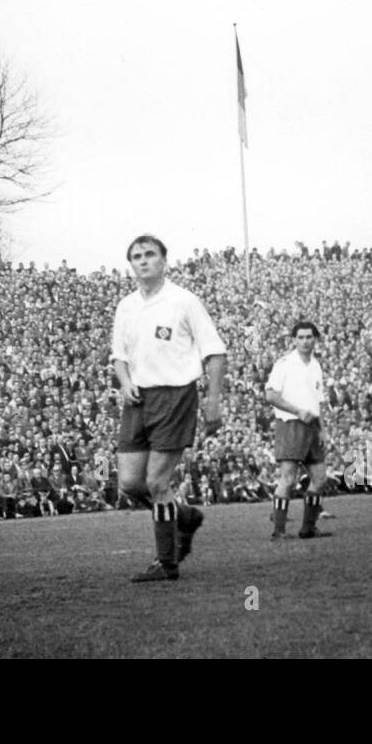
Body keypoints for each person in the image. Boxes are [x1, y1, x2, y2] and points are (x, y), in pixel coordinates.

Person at [111, 235, 226, 582]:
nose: (143, 261)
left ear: (164, 261)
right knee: (131, 484)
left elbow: (215, 353)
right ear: (130, 264)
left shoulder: (184, 301)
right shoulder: (126, 306)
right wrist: (125, 380)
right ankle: (185, 516)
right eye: (136, 256)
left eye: (149, 255)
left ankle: (167, 562)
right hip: (138, 399)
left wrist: (213, 399)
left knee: (157, 481)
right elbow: (119, 357)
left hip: (175, 396)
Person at [265, 321, 334, 539]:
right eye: (301, 337)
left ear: (315, 339)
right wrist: (297, 411)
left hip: (312, 426)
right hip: (291, 424)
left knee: (320, 478)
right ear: (294, 340)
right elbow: (271, 395)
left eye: (309, 337)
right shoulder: (284, 364)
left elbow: (318, 401)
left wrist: (322, 429)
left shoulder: (316, 365)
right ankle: (279, 531)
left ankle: (308, 527)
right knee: (288, 478)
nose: (305, 341)